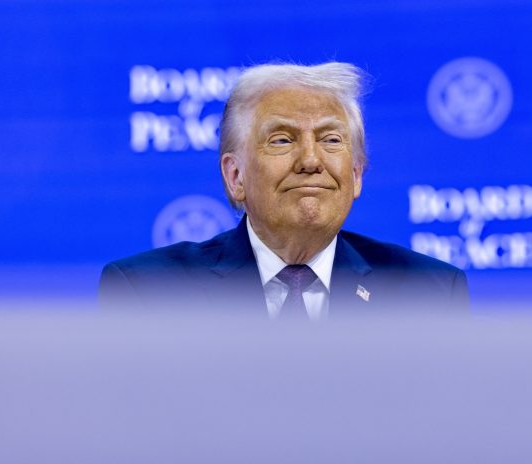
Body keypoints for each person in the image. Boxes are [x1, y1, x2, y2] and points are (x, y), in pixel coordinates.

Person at [99, 62, 468, 318]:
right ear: (235, 176)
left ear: (356, 174)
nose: (310, 160)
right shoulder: (149, 293)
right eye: (281, 140)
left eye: (331, 139)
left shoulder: (428, 292)